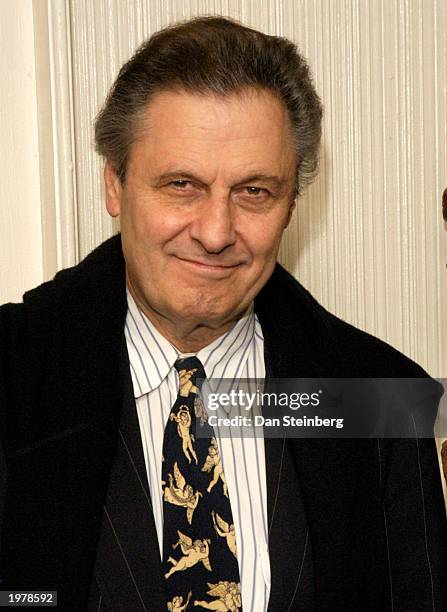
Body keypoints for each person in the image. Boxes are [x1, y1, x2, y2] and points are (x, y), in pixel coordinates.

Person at [0, 16, 446, 612]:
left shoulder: (383, 399)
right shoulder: (11, 374)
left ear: (291, 204)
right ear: (115, 183)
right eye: (182, 184)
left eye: (254, 191)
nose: (215, 233)